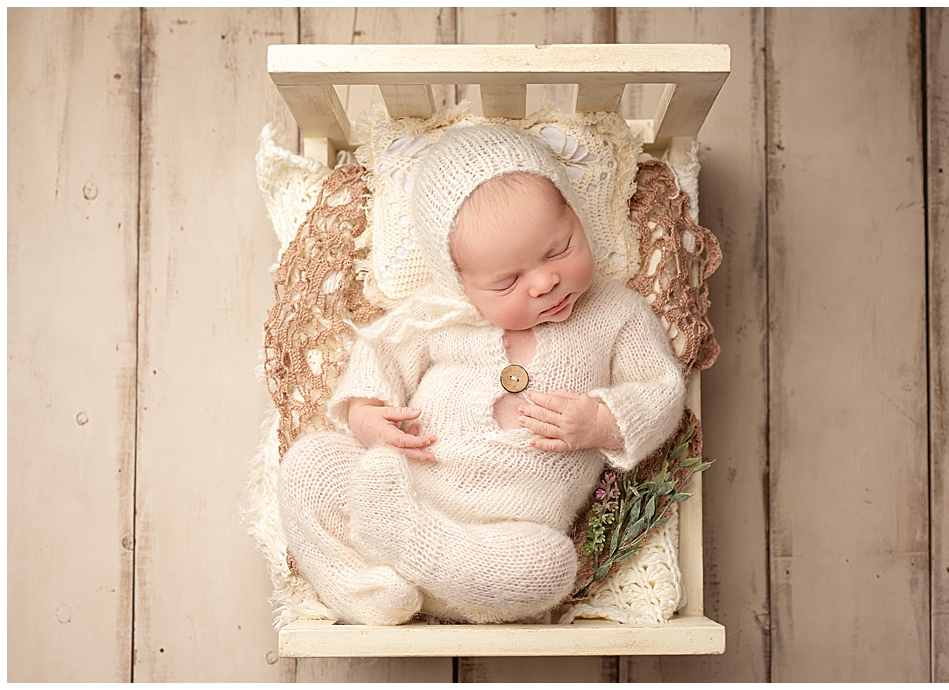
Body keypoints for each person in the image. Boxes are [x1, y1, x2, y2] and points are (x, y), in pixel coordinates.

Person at [278, 124, 686, 625]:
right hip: (408, 486)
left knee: (551, 567)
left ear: (577, 218)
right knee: (308, 463)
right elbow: (377, 355)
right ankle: (358, 586)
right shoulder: (437, 315)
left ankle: (406, 542)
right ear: (461, 283)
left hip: (500, 545)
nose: (544, 282)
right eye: (507, 281)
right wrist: (366, 417)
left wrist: (604, 422)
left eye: (559, 248)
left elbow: (660, 388)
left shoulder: (616, 313)